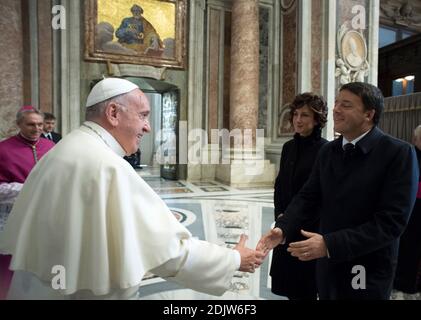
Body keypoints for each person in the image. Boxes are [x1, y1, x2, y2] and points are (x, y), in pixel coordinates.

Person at [0, 78, 264, 300]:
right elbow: (170, 253)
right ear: (113, 113)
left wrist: (142, 220)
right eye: (143, 116)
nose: (148, 127)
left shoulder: (65, 149)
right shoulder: (107, 165)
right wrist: (233, 260)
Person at [257, 82, 419, 300]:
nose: (336, 109)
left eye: (346, 105)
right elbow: (308, 196)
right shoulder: (328, 151)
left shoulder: (398, 153)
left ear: (369, 114)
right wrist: (283, 227)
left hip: (365, 267)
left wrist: (329, 244)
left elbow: (391, 222)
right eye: (336, 103)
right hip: (328, 263)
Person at [271, 93, 328, 300]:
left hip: (307, 229)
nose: (298, 119)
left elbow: (321, 195)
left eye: (304, 115)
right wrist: (280, 217)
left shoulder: (325, 149)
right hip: (285, 224)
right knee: (287, 284)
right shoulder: (288, 147)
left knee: (305, 287)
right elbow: (280, 186)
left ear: (316, 119)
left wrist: (296, 223)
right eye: (295, 114)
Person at [0, 105, 55, 299]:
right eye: (31, 124)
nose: (37, 129)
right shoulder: (3, 149)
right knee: (11, 262)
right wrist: (29, 189)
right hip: (13, 216)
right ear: (18, 124)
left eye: (40, 124)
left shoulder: (50, 147)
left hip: (46, 216)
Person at [393, 125, 421, 294]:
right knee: (406, 250)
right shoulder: (409, 155)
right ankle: (404, 283)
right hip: (410, 212)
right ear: (415, 139)